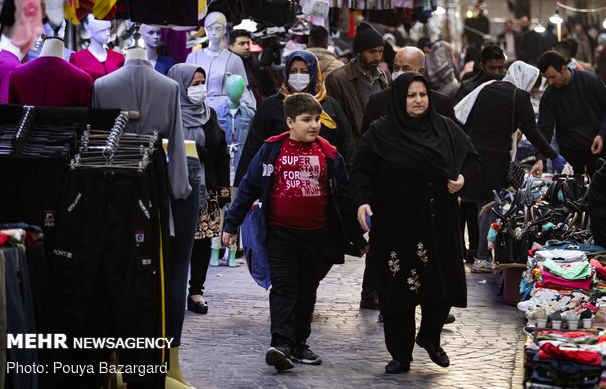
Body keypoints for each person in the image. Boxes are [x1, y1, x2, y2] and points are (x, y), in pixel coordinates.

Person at [222, 93, 367, 372]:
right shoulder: (271, 150)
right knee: (285, 288)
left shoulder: (329, 154)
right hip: (280, 233)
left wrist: (357, 239)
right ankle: (281, 344)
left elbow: (344, 199)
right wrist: (231, 224)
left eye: (317, 120)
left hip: (316, 235)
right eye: (306, 120)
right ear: (289, 122)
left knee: (307, 290)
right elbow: (249, 186)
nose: (314, 126)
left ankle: (300, 344)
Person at [351, 73, 481, 374]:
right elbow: (361, 172)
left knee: (443, 287)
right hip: (396, 225)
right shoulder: (380, 133)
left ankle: (429, 337)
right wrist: (362, 200)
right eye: (411, 95)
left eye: (423, 94)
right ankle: (400, 354)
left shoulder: (446, 128)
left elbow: (474, 160)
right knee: (397, 292)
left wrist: (462, 179)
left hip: (438, 223)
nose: (419, 100)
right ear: (399, 98)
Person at [455, 61, 567, 273]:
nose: (532, 89)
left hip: (474, 156)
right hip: (495, 160)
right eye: (533, 84)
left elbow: (468, 120)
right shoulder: (519, 97)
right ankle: (482, 257)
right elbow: (533, 133)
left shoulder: (488, 88)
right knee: (491, 208)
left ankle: (483, 255)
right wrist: (554, 156)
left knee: (482, 206)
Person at [235, 50, 356, 187]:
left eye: (304, 71)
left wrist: (348, 183)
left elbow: (347, 145)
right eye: (293, 71)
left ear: (313, 72)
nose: (298, 76)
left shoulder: (329, 105)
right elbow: (254, 146)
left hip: (325, 185)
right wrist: (245, 187)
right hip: (279, 185)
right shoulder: (272, 105)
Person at [167, 63, 230, 315]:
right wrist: (195, 152)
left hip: (207, 189)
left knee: (203, 241)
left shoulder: (210, 114)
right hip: (177, 188)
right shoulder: (170, 114)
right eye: (193, 84)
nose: (199, 88)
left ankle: (196, 291)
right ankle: (173, 290)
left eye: (202, 82)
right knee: (176, 241)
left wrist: (224, 191)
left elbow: (221, 152)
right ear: (180, 86)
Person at [536, 51, 606, 175]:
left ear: (563, 69)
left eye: (553, 77)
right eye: (547, 78)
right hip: (570, 153)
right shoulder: (550, 95)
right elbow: (544, 129)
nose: (550, 82)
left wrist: (602, 134)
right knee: (571, 192)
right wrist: (540, 158)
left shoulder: (591, 81)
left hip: (598, 147)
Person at [361, 46, 456, 134]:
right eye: (396, 68)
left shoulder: (441, 103)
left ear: (421, 71)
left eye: (406, 68)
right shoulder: (378, 101)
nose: (399, 72)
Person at [326, 21, 390, 142]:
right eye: (372, 52)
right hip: (354, 149)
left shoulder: (382, 76)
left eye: (380, 51)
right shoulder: (337, 79)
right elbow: (334, 123)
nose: (377, 57)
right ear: (359, 52)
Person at [186, 12, 256, 111]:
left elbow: (244, 90)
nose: (214, 32)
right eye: (210, 28)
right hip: (197, 111)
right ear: (205, 29)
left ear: (224, 30)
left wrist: (245, 112)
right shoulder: (193, 57)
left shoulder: (234, 59)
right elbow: (185, 87)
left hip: (224, 112)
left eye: (218, 28)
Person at [228, 29, 277, 105]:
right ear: (231, 46)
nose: (247, 47)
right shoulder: (228, 68)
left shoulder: (251, 64)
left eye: (248, 43)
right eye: (242, 44)